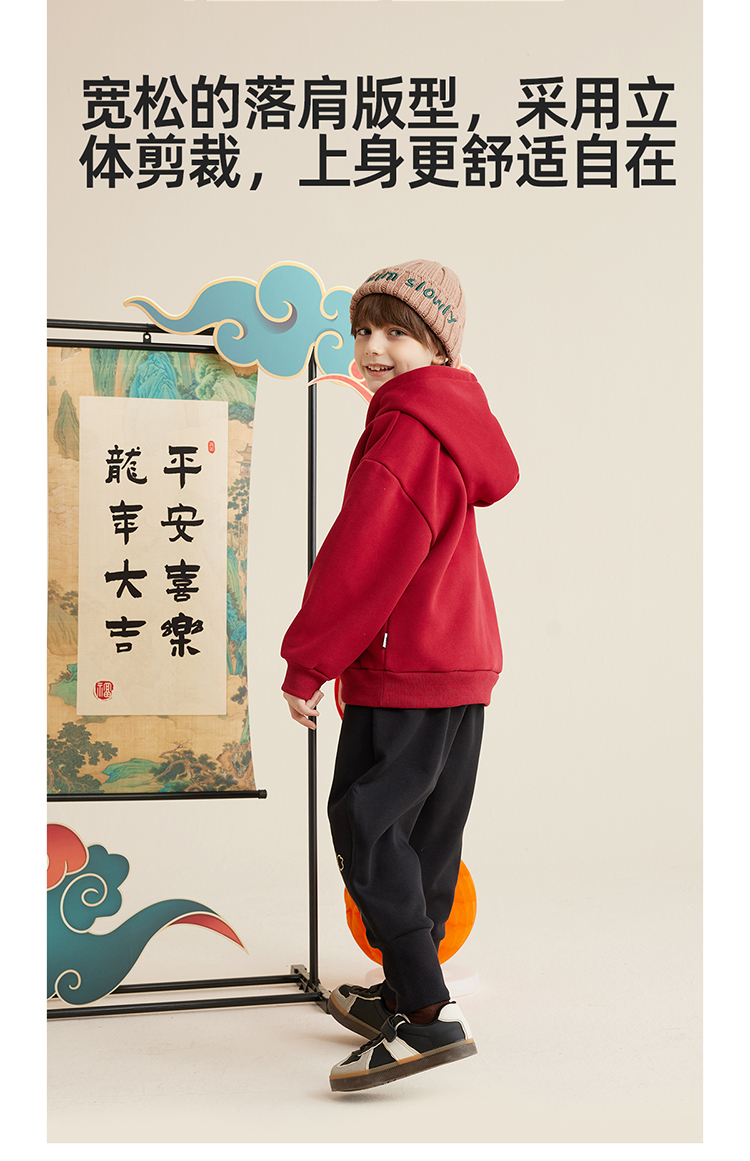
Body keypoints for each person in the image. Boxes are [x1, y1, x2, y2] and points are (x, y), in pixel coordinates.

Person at [280, 259, 519, 1092]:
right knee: (424, 835)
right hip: (460, 659)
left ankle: (424, 1013)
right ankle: (403, 985)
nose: (374, 349)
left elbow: (364, 556)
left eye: (397, 332)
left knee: (366, 821)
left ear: (439, 348)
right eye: (364, 330)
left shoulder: (407, 429)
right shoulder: (451, 421)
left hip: (406, 660)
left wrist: (309, 661)